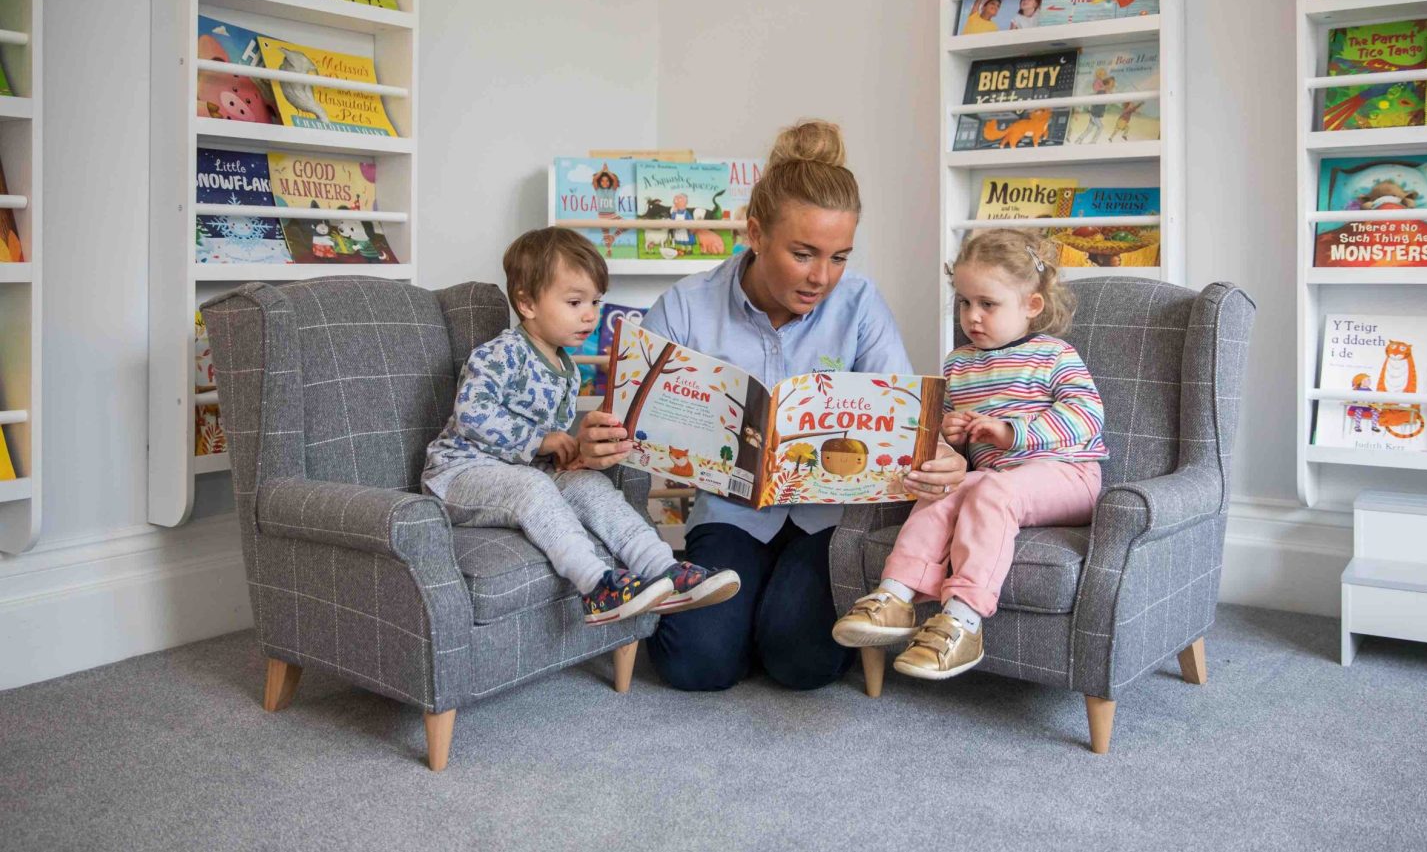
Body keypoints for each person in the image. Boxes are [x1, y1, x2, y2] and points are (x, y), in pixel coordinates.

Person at [573, 120, 968, 691]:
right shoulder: (686, 306)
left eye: (838, 257)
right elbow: (627, 422)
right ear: (755, 233)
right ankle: (748, 619)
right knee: (695, 667)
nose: (821, 277)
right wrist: (599, 441)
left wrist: (942, 458)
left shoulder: (860, 304)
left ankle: (771, 618)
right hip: (731, 515)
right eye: (803, 253)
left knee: (801, 663)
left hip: (827, 520)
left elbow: (906, 425)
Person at [421, 227, 740, 625]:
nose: (590, 314)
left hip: (522, 472)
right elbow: (472, 412)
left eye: (595, 301)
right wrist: (542, 440)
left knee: (592, 486)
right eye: (574, 302)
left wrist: (568, 452)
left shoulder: (568, 369)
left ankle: (664, 567)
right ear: (527, 303)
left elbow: (550, 442)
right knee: (533, 486)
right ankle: (596, 586)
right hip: (459, 474)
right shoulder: (502, 353)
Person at [832, 229, 1106, 680]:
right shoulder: (958, 365)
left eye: (987, 304)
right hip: (997, 484)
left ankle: (964, 619)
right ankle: (895, 596)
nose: (972, 316)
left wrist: (1011, 433)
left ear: (1031, 305)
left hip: (1067, 475)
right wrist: (949, 432)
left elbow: (1086, 416)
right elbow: (951, 446)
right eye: (963, 302)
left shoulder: (1054, 355)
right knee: (943, 492)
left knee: (993, 491)